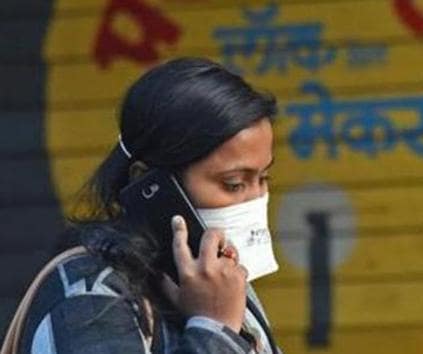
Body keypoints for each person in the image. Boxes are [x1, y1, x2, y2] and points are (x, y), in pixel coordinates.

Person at [18, 57, 282, 353]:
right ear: (149, 185)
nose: (255, 199)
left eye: (263, 178)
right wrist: (214, 330)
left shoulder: (218, 286)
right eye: (233, 184)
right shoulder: (90, 295)